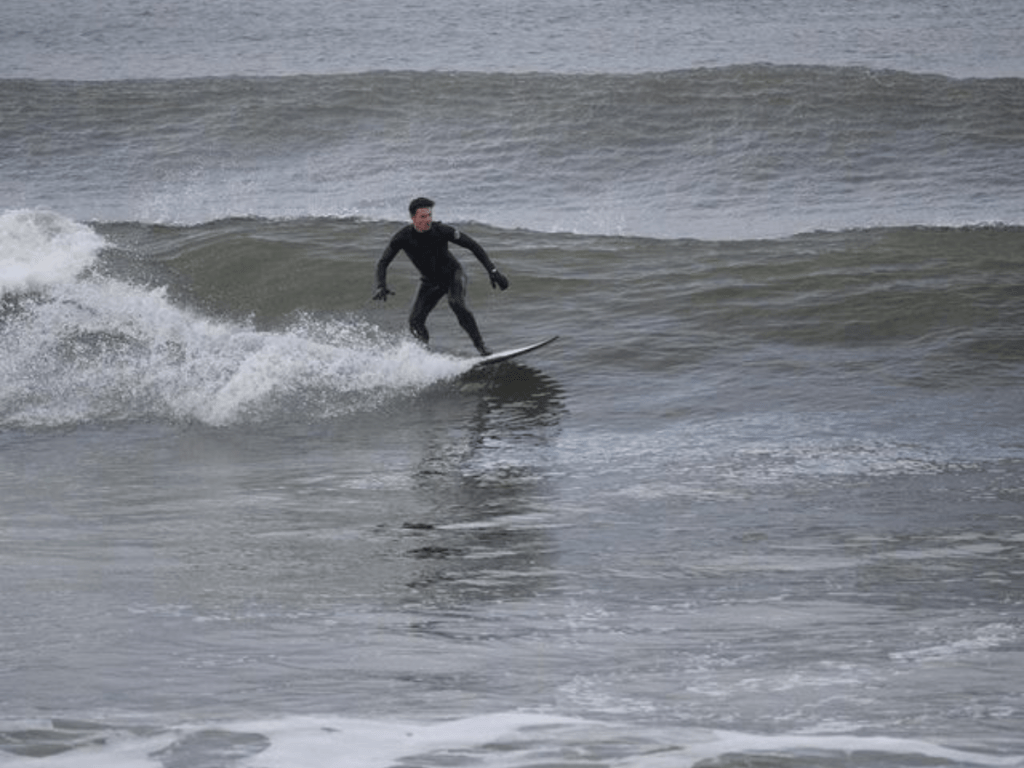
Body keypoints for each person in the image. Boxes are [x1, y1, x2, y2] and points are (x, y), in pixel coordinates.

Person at [373, 197, 509, 355]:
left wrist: (493, 271)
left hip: (453, 275)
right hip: (429, 282)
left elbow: (473, 245)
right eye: (423, 216)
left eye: (429, 216)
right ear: (413, 218)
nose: (427, 220)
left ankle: (481, 348)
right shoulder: (402, 237)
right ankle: (424, 354)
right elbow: (383, 262)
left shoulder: (441, 230)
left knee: (456, 303)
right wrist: (381, 285)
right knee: (415, 321)